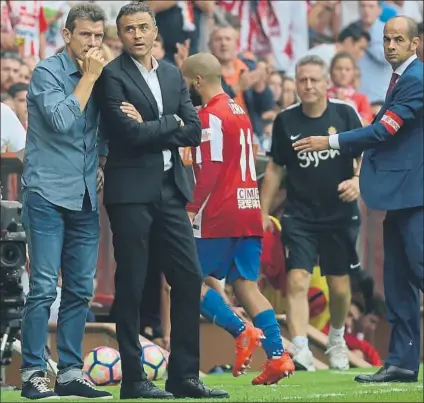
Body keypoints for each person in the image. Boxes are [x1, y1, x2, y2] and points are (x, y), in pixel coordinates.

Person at [95, 3, 228, 399]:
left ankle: (185, 376)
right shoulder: (110, 76)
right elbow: (127, 134)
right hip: (130, 194)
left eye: (142, 27)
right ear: (119, 35)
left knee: (188, 277)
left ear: (155, 31)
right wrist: (170, 123)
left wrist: (161, 124)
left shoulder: (172, 74)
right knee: (133, 284)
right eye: (128, 29)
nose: (136, 34)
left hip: (172, 190)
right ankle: (134, 380)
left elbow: (193, 129)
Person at [293, 16, 423, 383]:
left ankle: (402, 359)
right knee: (398, 282)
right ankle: (402, 361)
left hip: (416, 195)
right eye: (387, 39)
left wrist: (330, 141)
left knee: (419, 268)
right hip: (400, 196)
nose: (391, 45)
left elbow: (385, 130)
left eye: (400, 39)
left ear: (415, 44)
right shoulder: (400, 79)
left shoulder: (416, 80)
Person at [181, 53, 295, 386]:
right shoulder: (237, 109)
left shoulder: (210, 116)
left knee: (183, 281)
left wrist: (191, 208)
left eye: (188, 81)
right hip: (248, 207)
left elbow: (212, 167)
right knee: (245, 285)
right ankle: (278, 356)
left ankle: (241, 330)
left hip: (220, 212)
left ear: (198, 81)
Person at [19, 4, 111, 400]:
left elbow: (102, 126)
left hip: (86, 195)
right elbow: (61, 120)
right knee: (42, 288)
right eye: (86, 35)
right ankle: (33, 374)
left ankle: (71, 372)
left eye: (98, 36)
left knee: (78, 289)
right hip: (46, 192)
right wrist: (90, 78)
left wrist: (102, 160)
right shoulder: (46, 72)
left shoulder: (101, 73)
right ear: (68, 35)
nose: (93, 43)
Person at [261, 55, 364, 372]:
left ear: (326, 83)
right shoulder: (285, 120)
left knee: (340, 287)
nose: (307, 86)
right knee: (297, 279)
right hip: (300, 215)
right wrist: (263, 212)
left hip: (339, 214)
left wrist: (358, 182)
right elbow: (275, 170)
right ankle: (302, 348)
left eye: (313, 80)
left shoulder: (345, 114)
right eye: (302, 79)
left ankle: (336, 340)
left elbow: (364, 156)